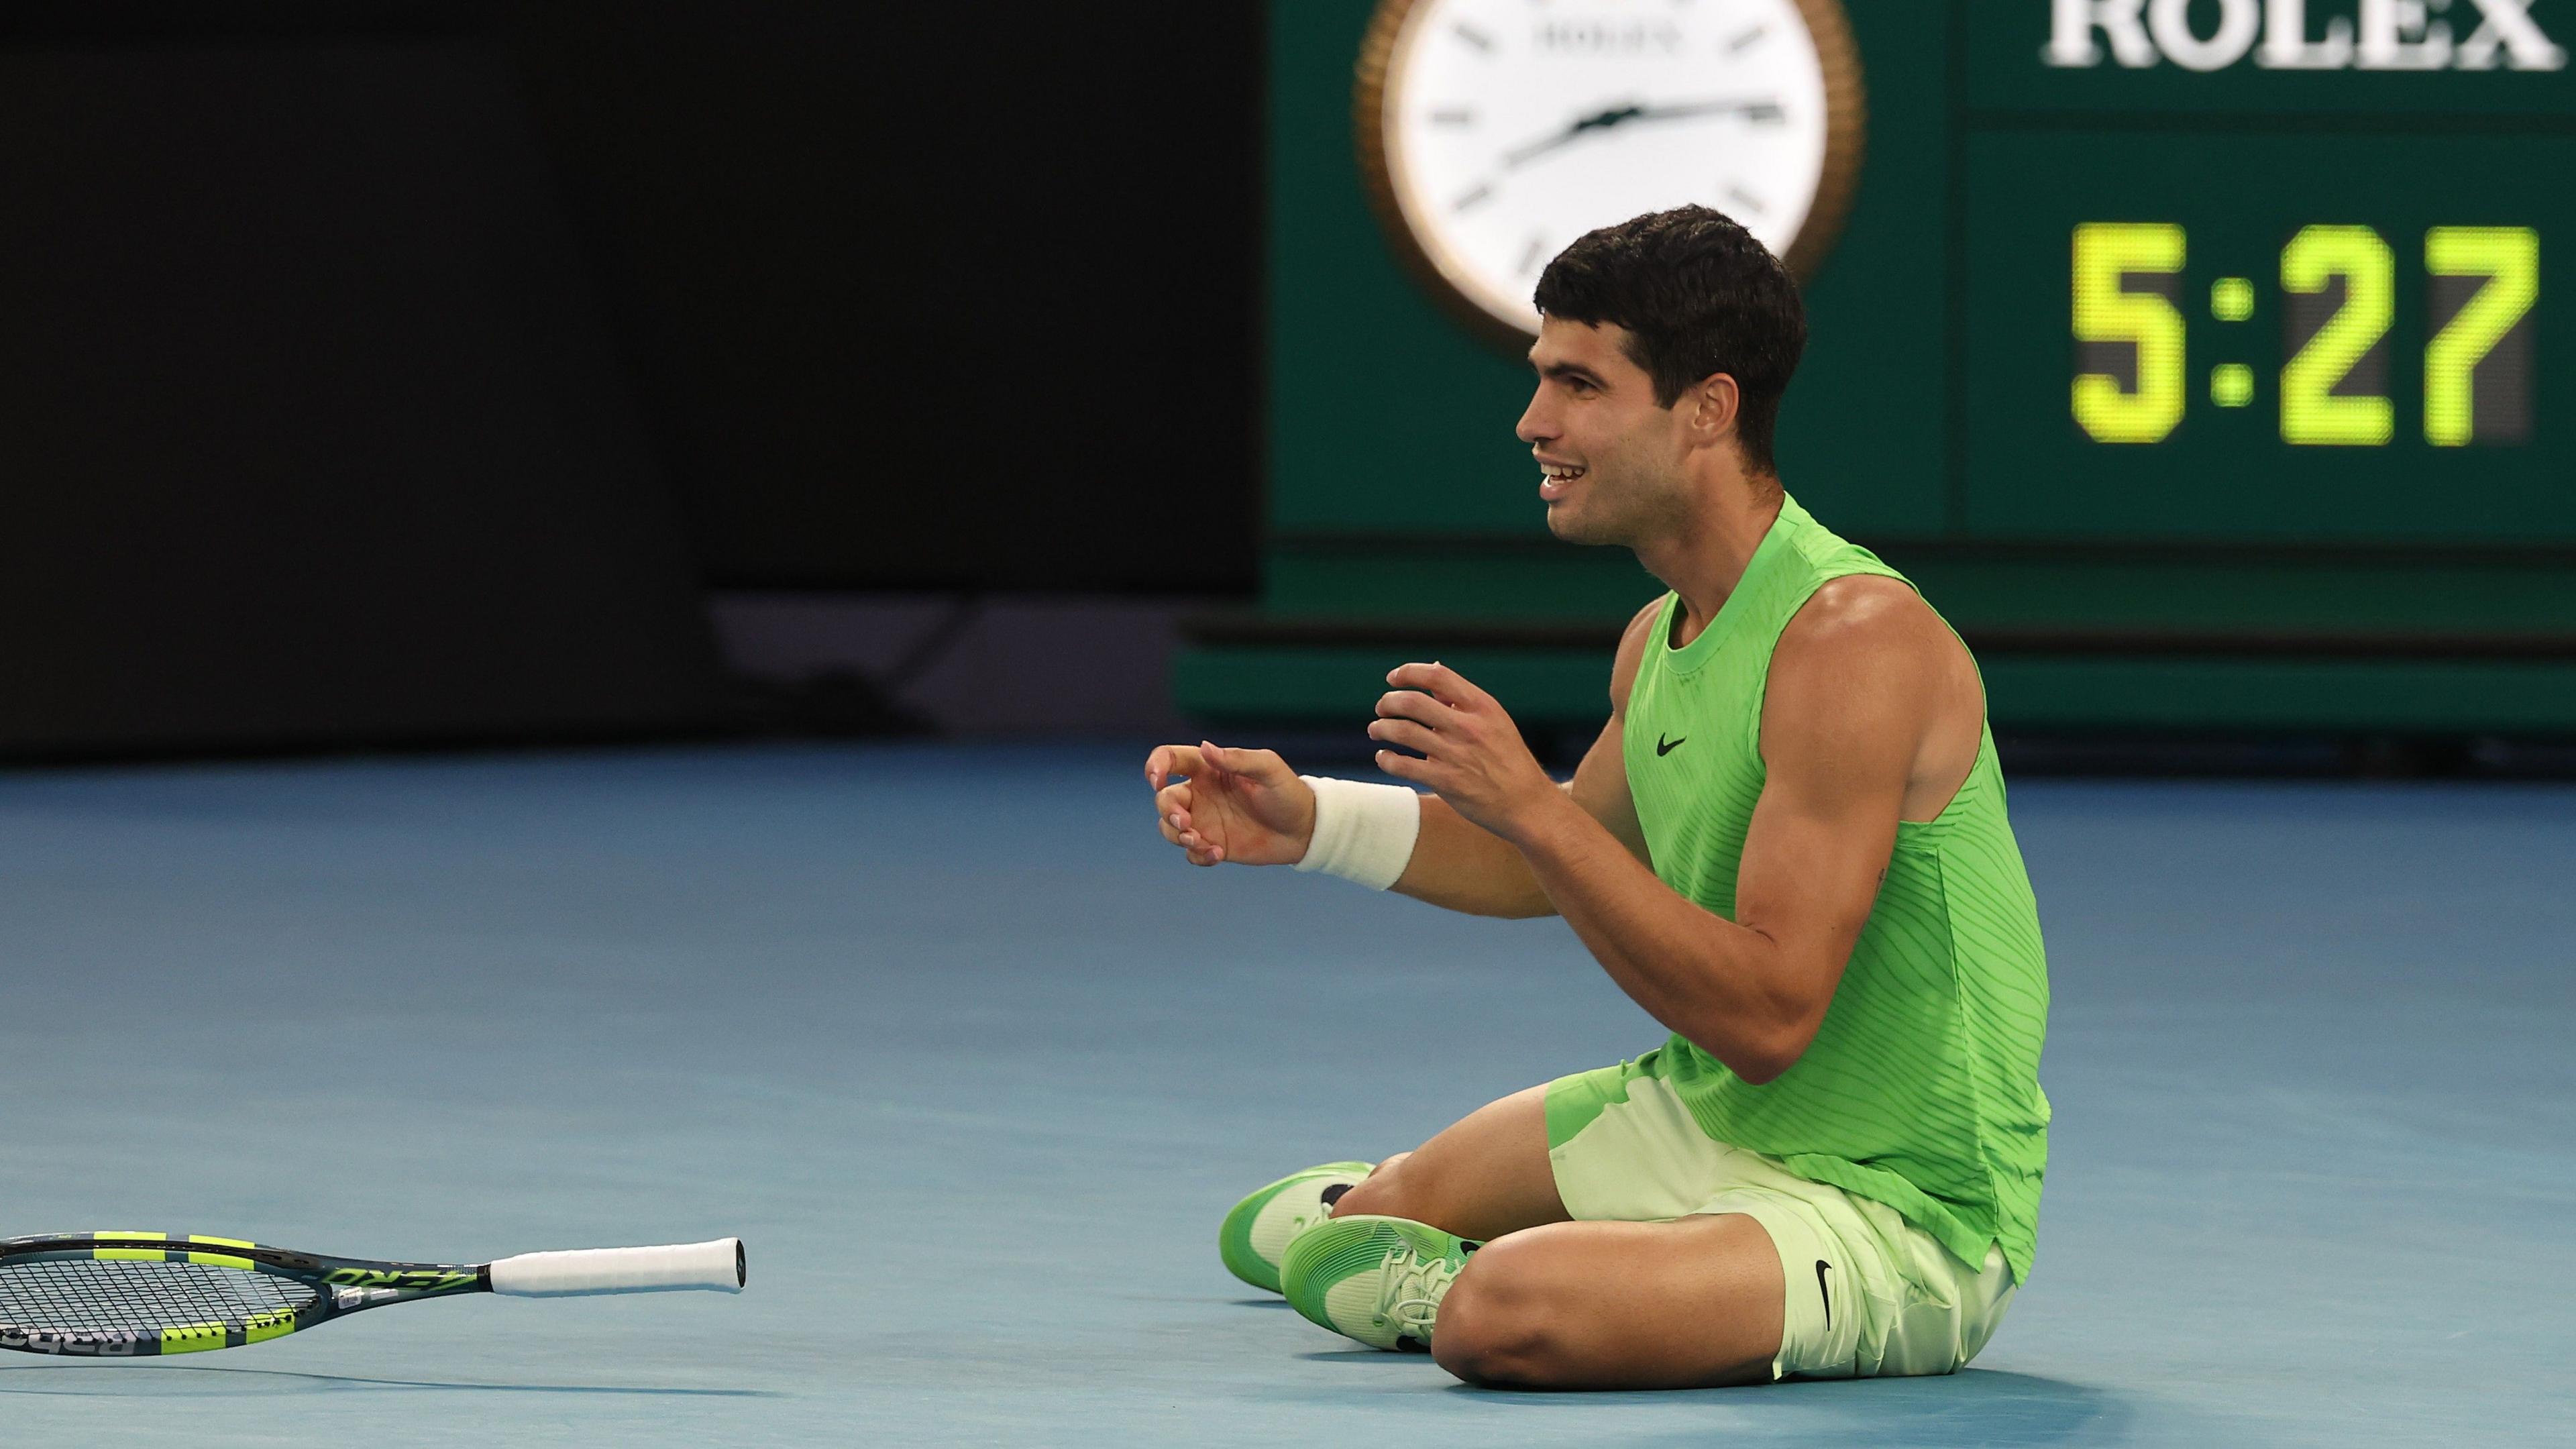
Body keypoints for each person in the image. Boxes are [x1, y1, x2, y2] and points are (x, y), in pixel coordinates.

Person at [1146, 206, 2049, 1390]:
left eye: (1579, 385)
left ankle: (1496, 1274)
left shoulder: (1854, 638)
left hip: (1895, 1205)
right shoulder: (1658, 639)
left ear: (1707, 410)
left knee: (1500, 1316)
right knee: (1380, 1205)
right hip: (1709, 1118)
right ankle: (1464, 1234)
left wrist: (1536, 804)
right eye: (1540, 380)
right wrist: (1313, 821)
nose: (1534, 423)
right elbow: (1548, 863)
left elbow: (1771, 1020)